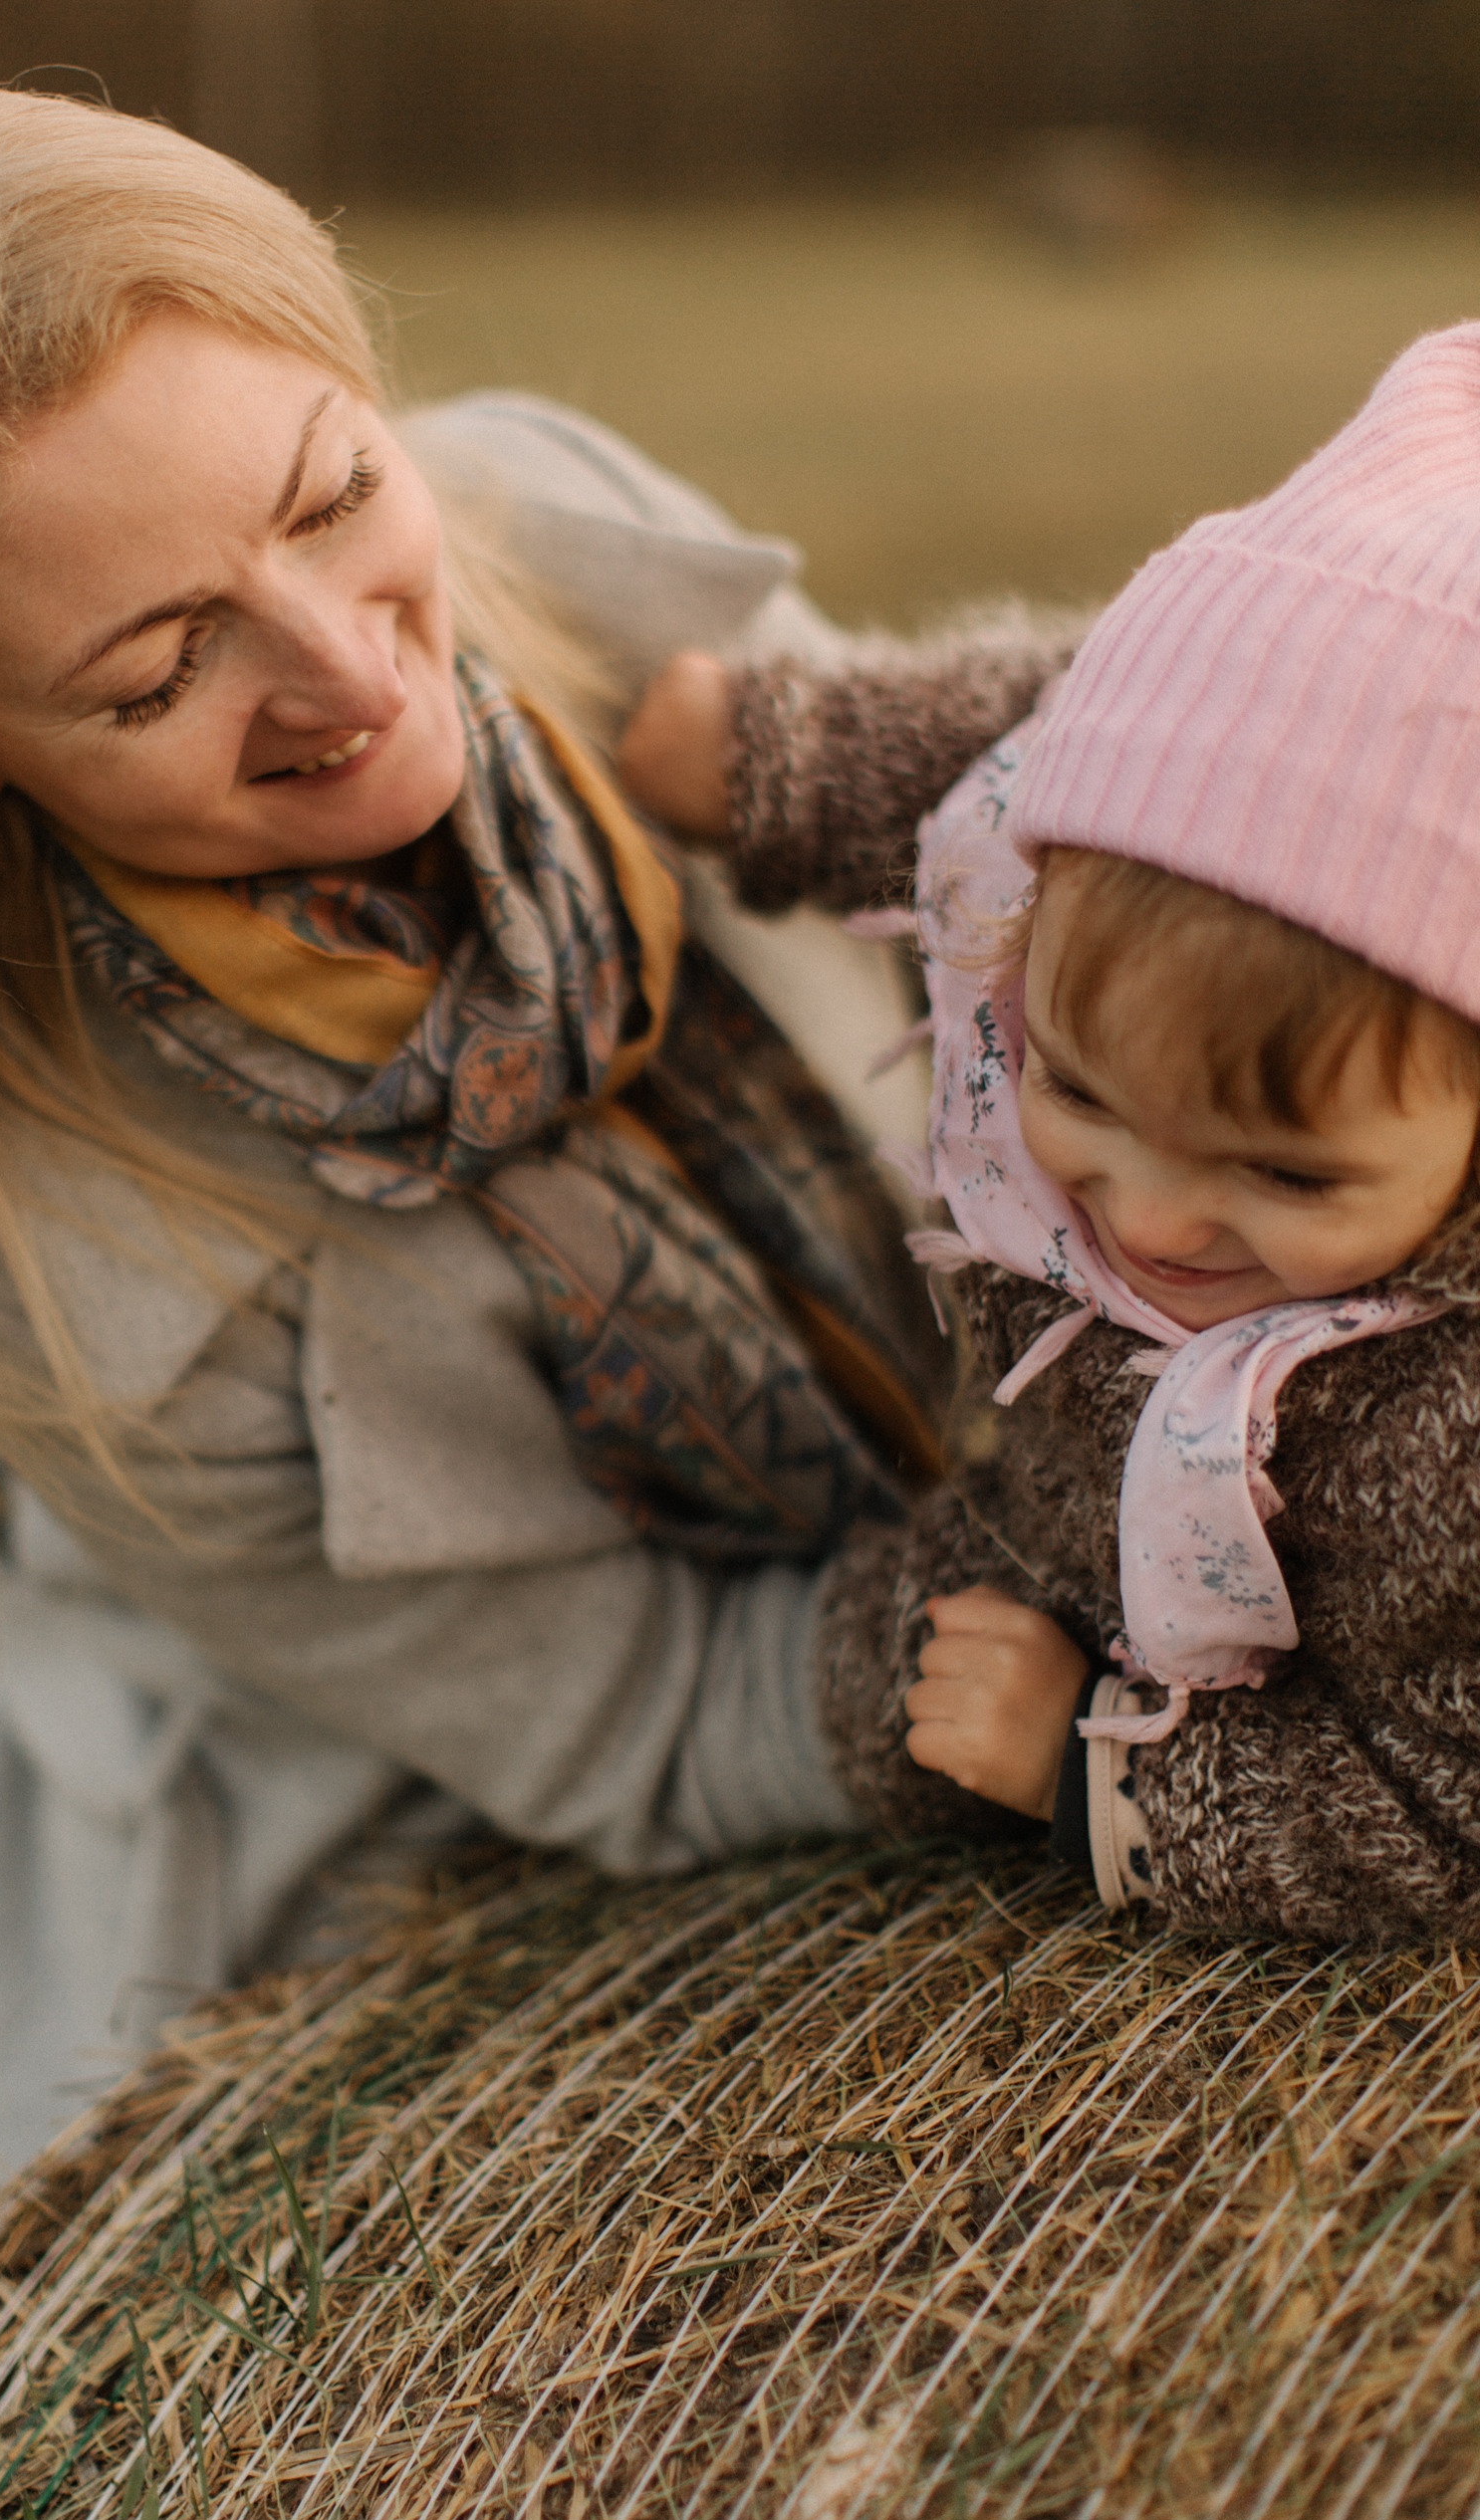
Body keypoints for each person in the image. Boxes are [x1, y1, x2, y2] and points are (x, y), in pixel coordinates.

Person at [0, 76, 1079, 2211]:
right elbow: (634, 1719)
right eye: (158, 672)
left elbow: (1021, 907)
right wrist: (1056, 1638)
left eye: (335, 490)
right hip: (397, 1916)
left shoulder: (552, 521)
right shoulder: (92, 1289)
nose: (346, 669)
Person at [620, 325, 1480, 1940]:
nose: (1144, 1220)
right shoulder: (1068, 855)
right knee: (861, 1691)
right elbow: (1032, 723)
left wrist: (1098, 1767)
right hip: (1032, 1527)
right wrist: (771, 759)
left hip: (1269, 1714)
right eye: (1078, 1091)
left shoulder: (1455, 1449)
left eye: (1285, 1172)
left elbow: (1453, 1806)